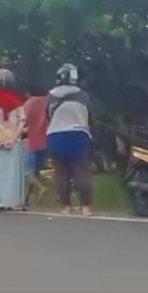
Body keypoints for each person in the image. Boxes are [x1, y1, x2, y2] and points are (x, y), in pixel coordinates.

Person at [46, 63, 93, 216]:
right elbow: (90, 117)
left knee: (61, 173)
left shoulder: (51, 95)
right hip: (79, 134)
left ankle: (66, 207)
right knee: (81, 171)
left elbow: (48, 116)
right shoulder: (84, 96)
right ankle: (86, 207)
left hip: (56, 135)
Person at [0, 69, 27, 210]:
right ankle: (12, 202)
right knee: (12, 175)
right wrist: (14, 138)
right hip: (12, 143)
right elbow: (23, 120)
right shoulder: (17, 99)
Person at [24, 83, 50, 205]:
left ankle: (41, 188)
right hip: (47, 140)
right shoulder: (48, 101)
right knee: (35, 172)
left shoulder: (30, 103)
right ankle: (26, 200)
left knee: (27, 171)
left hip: (32, 140)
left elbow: (23, 120)